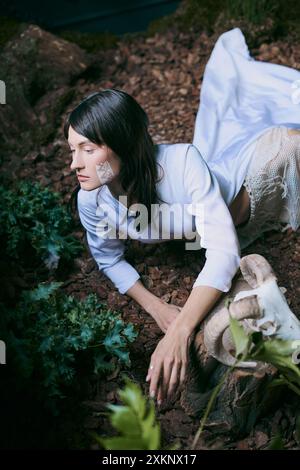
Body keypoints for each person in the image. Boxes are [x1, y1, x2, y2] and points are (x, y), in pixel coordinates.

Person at [64, 27, 300, 407]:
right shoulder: (91, 199)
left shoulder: (182, 163)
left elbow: (224, 252)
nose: (75, 164)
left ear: (121, 147)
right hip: (208, 218)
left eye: (87, 150)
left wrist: (180, 331)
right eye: (73, 150)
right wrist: (157, 307)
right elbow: (109, 258)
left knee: (291, 143)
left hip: (249, 193)